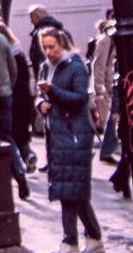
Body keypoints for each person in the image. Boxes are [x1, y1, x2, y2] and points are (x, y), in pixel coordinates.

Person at [37, 28, 105, 253]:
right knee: (74, 189)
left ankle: (70, 241)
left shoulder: (75, 67)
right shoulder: (45, 67)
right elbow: (41, 96)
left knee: (70, 191)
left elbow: (79, 99)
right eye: (44, 47)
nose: (48, 52)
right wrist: (41, 104)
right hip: (57, 134)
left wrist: (53, 93)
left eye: (52, 47)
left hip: (74, 134)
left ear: (62, 44)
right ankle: (94, 237)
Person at [0, 23, 29, 200]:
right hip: (4, 92)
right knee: (6, 136)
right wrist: (7, 86)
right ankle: (18, 172)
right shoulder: (0, 39)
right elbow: (13, 68)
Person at [0, 17, 37, 174]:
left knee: (8, 132)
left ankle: (18, 165)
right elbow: (20, 73)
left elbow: (12, 73)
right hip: (22, 96)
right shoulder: (18, 51)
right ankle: (27, 155)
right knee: (20, 131)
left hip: (9, 93)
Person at [88, 17, 118, 163]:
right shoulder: (105, 40)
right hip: (107, 87)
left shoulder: (110, 39)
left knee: (110, 120)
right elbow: (98, 65)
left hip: (112, 84)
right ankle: (104, 150)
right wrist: (99, 89)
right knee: (106, 120)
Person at [28, 4, 66, 80]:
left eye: (31, 17)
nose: (31, 21)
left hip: (48, 80)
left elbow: (40, 58)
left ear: (38, 16)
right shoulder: (62, 31)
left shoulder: (39, 34)